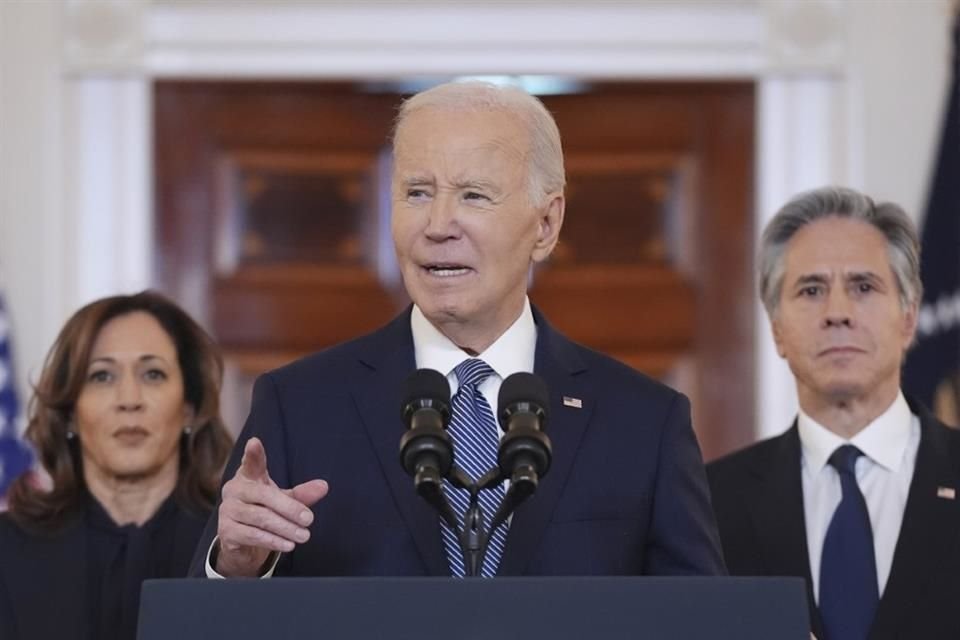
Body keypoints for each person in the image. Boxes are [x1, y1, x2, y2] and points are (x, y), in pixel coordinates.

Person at [191, 80, 724, 580]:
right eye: (417, 193)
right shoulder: (298, 405)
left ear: (546, 224)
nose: (438, 225)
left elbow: (700, 621)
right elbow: (199, 619)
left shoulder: (644, 421)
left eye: (473, 195)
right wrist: (237, 564)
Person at [708, 187, 960, 640]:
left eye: (863, 287)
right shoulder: (709, 503)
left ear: (908, 318)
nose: (837, 313)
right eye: (811, 289)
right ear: (777, 329)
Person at [0, 291, 233, 640]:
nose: (129, 400)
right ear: (69, 413)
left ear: (188, 407)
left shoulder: (232, 547)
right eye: (102, 377)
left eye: (153, 374)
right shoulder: (8, 548)